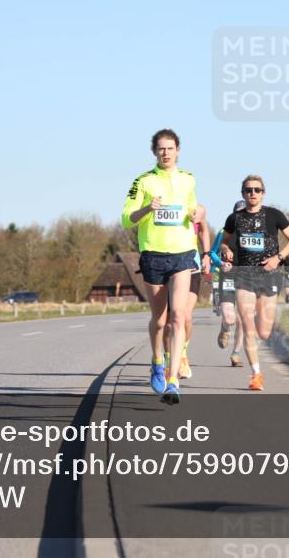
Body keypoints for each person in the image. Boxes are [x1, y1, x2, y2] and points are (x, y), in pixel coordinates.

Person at [122, 129, 209, 404]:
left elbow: (194, 212)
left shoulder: (188, 180)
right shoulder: (143, 181)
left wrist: (199, 214)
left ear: (178, 150)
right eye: (161, 148)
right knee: (159, 320)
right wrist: (148, 208)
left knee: (179, 316)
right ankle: (157, 361)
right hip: (153, 255)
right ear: (154, 152)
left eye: (170, 148)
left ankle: (173, 381)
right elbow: (127, 218)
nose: (166, 152)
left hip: (183, 253)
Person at [219, 175, 289, 391]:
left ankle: (257, 340)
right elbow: (224, 243)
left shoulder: (274, 215)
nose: (252, 193)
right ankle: (256, 374)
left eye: (256, 190)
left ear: (263, 193)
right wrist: (226, 251)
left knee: (264, 331)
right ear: (242, 194)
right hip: (244, 275)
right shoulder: (234, 218)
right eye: (248, 190)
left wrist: (278, 258)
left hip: (269, 275)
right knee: (248, 326)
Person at [161, 205, 210, 380]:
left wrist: (206, 255)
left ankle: (181, 353)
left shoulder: (196, 208)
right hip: (166, 267)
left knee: (185, 316)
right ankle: (168, 360)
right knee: (168, 323)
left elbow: (204, 230)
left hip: (191, 268)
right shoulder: (165, 207)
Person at [216, 200, 247, 367]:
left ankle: (236, 354)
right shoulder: (223, 232)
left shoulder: (255, 232)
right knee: (230, 317)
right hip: (228, 275)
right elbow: (211, 253)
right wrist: (221, 263)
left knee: (243, 318)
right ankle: (225, 327)